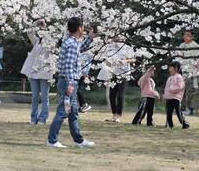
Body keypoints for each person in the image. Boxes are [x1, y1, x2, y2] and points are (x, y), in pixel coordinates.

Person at [47, 17, 96, 148]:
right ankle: (52, 140)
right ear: (79, 28)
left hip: (69, 81)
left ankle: (78, 140)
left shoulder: (71, 42)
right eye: (83, 27)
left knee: (73, 112)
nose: (84, 29)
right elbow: (69, 65)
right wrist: (70, 83)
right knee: (63, 111)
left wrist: (90, 38)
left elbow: (80, 48)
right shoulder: (72, 44)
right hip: (69, 82)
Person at [21, 20, 55, 125]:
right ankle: (33, 118)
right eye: (41, 30)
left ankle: (42, 118)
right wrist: (35, 23)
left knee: (45, 97)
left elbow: (54, 51)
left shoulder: (51, 42)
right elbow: (29, 32)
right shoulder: (36, 41)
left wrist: (46, 29)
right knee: (35, 96)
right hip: (34, 71)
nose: (42, 31)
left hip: (45, 72)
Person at [103, 39, 136, 123]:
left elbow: (133, 59)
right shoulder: (111, 48)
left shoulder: (127, 48)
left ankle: (118, 115)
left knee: (120, 96)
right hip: (113, 74)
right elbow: (106, 59)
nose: (117, 41)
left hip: (124, 74)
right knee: (111, 95)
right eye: (117, 39)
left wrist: (125, 61)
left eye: (120, 39)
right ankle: (114, 115)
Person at [176, 31, 199, 116]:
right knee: (182, 89)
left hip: (193, 72)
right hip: (183, 71)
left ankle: (190, 108)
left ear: (191, 37)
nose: (185, 38)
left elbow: (198, 60)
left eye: (187, 36)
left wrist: (197, 72)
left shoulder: (195, 46)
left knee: (192, 90)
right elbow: (178, 58)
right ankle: (182, 108)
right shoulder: (182, 45)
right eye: (184, 36)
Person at [163, 61, 190, 129]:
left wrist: (172, 89)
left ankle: (184, 124)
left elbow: (181, 87)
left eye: (170, 68)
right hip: (169, 97)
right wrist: (165, 95)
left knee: (178, 112)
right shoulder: (170, 78)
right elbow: (166, 88)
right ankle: (170, 125)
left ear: (176, 68)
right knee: (168, 112)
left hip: (175, 98)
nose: (169, 69)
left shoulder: (179, 77)